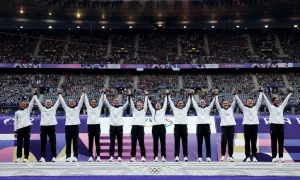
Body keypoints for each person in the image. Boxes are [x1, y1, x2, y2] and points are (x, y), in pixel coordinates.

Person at [263, 86, 293, 163]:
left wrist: (290, 93)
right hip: (273, 125)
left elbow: (286, 100)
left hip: (281, 126)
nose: (278, 101)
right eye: (276, 100)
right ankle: (274, 157)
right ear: (273, 101)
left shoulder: (281, 107)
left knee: (281, 142)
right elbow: (266, 100)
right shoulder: (270, 107)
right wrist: (262, 92)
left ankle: (281, 157)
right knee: (274, 142)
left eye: (278, 100)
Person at [234, 87, 263, 162]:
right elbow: (239, 101)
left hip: (254, 126)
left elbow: (259, 100)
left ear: (253, 102)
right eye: (248, 101)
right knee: (247, 142)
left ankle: (254, 156)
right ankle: (247, 157)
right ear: (246, 102)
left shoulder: (255, 108)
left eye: (251, 101)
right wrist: (235, 94)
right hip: (246, 126)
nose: (250, 102)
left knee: (254, 142)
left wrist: (261, 92)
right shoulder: (244, 108)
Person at [58, 88, 85, 162]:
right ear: (68, 103)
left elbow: (81, 101)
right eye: (70, 101)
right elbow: (62, 101)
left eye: (72, 101)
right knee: (68, 142)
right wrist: (59, 93)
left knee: (75, 142)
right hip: (68, 127)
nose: (71, 102)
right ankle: (68, 156)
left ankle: (75, 156)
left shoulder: (78, 108)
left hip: (75, 126)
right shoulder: (66, 109)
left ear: (75, 102)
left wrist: (83, 92)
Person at [103, 87, 129, 162]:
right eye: (115, 101)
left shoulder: (121, 108)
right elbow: (105, 101)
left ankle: (120, 156)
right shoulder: (110, 107)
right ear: (113, 102)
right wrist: (104, 93)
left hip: (119, 127)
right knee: (112, 142)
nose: (116, 102)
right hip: (112, 127)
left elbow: (127, 103)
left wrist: (129, 95)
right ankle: (111, 156)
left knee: (120, 142)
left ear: (119, 102)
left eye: (117, 101)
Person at [33, 89, 60, 162]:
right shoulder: (42, 109)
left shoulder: (54, 108)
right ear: (45, 103)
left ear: (51, 103)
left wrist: (59, 93)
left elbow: (58, 101)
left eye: (49, 102)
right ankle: (42, 157)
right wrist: (35, 94)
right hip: (43, 127)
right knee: (43, 143)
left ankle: (54, 157)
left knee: (53, 142)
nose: (48, 103)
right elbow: (38, 102)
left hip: (52, 127)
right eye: (47, 102)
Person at [167, 89, 192, 162]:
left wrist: (190, 95)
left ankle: (185, 156)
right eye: (179, 103)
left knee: (185, 142)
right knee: (177, 142)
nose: (180, 104)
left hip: (184, 127)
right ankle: (176, 156)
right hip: (177, 127)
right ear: (177, 104)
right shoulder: (175, 109)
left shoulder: (185, 109)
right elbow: (171, 102)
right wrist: (168, 95)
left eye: (181, 103)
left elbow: (189, 102)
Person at [191, 90, 216, 162]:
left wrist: (215, 96)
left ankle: (208, 156)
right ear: (200, 103)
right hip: (199, 126)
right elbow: (194, 103)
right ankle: (199, 157)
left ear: (205, 103)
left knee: (208, 142)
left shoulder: (208, 109)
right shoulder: (197, 109)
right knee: (199, 142)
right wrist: (191, 95)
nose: (202, 103)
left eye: (203, 102)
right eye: (201, 102)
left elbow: (212, 103)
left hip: (206, 126)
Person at [215, 89, 236, 162]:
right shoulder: (220, 110)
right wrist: (216, 95)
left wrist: (234, 94)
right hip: (224, 127)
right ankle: (223, 155)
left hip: (231, 127)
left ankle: (230, 156)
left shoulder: (231, 109)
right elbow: (216, 103)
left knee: (230, 142)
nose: (226, 104)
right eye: (224, 103)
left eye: (227, 103)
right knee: (224, 141)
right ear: (222, 104)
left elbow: (234, 101)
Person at [84, 88, 104, 162]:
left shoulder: (99, 108)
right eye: (92, 102)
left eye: (94, 102)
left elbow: (101, 101)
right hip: (90, 126)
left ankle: (98, 156)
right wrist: (84, 93)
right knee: (90, 142)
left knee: (97, 142)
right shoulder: (88, 108)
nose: (93, 103)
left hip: (97, 126)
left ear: (96, 103)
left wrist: (103, 92)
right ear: (91, 103)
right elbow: (86, 101)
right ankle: (90, 156)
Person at [128, 89, 148, 162]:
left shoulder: (144, 110)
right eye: (138, 105)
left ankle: (143, 156)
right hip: (134, 127)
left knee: (141, 143)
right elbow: (131, 102)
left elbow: (146, 103)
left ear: (142, 106)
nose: (138, 106)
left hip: (141, 128)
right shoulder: (134, 110)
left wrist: (146, 95)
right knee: (133, 143)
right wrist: (129, 95)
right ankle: (133, 157)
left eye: (140, 105)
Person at [148, 90, 168, 162]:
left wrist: (167, 95)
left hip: (162, 127)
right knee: (155, 143)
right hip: (155, 128)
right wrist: (146, 96)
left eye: (159, 104)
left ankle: (163, 156)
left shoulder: (163, 110)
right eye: (157, 104)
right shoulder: (153, 111)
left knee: (163, 143)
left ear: (161, 106)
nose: (158, 105)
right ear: (155, 106)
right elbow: (149, 104)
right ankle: (155, 156)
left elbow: (165, 103)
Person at [14, 95, 35, 163]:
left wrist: (34, 95)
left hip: (27, 128)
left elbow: (31, 104)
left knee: (26, 143)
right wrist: (15, 131)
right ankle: (19, 157)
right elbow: (15, 122)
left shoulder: (27, 110)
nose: (23, 105)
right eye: (22, 104)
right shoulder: (16, 112)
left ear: (25, 105)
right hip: (19, 129)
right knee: (19, 144)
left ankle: (26, 157)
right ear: (19, 105)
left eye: (24, 104)